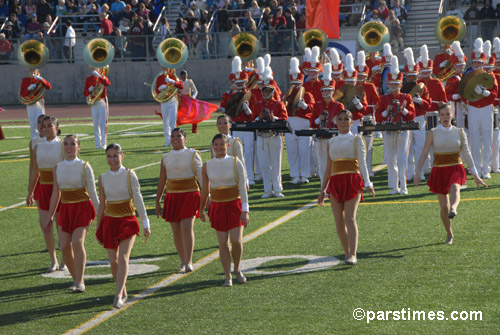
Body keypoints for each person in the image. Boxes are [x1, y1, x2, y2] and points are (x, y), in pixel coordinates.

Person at [414, 104, 487, 244]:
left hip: (455, 167)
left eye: (448, 114)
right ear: (439, 117)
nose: (445, 117)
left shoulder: (459, 132)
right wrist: (418, 172)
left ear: (452, 115)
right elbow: (424, 153)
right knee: (443, 207)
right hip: (439, 169)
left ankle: (454, 208)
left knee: (455, 188)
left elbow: (467, 153)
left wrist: (476, 175)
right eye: (442, 115)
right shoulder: (433, 133)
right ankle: (449, 233)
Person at [96, 143, 151, 308]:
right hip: (110, 221)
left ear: (122, 156)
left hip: (127, 220)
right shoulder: (103, 178)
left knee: (123, 257)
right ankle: (123, 289)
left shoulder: (129, 175)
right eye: (109, 156)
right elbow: (102, 204)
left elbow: (139, 199)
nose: (112, 159)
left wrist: (145, 223)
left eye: (115, 155)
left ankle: (118, 295)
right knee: (112, 260)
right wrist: (99, 227)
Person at [317, 109, 375, 265]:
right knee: (339, 221)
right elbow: (328, 167)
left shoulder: (357, 139)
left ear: (351, 122)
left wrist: (368, 183)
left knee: (350, 218)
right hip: (335, 183)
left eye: (346, 119)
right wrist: (322, 190)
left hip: (352, 180)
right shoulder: (331, 142)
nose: (342, 122)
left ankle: (353, 253)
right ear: (336, 122)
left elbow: (362, 163)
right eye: (340, 119)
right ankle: (346, 252)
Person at [45, 135, 99, 292]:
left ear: (79, 147)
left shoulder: (84, 166)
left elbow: (93, 193)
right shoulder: (58, 167)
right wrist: (50, 215)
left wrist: (102, 214)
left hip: (83, 208)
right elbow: (56, 193)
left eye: (73, 144)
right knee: (64, 246)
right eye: (66, 144)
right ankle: (76, 279)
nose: (69, 147)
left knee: (77, 242)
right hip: (65, 209)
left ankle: (80, 281)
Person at [199, 134, 249, 287]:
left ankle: (237, 268)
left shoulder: (235, 162)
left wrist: (245, 210)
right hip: (217, 206)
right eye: (216, 144)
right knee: (222, 243)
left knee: (236, 240)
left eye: (222, 144)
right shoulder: (207, 165)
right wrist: (201, 209)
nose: (219, 147)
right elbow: (205, 189)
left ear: (228, 146)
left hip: (235, 204)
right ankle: (228, 276)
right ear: (212, 146)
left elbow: (242, 187)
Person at [155, 128, 202, 272]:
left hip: (190, 195)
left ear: (185, 139)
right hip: (172, 196)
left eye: (179, 136)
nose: (175, 139)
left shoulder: (193, 154)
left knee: (187, 227)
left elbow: (201, 177)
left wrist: (208, 197)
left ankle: (189, 261)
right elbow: (162, 180)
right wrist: (158, 200)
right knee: (176, 231)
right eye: (173, 136)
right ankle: (182, 261)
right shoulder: (166, 157)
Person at [26, 115, 65, 273]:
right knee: (46, 226)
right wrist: (30, 192)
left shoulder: (63, 145)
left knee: (62, 226)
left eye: (50, 125)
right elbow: (35, 171)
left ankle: (65, 260)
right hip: (44, 189)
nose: (47, 129)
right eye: (44, 126)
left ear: (56, 127)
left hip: (61, 189)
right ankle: (53, 260)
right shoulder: (37, 147)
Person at [375, 56, 415, 195]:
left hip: (402, 130)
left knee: (402, 158)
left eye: (396, 84)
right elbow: (378, 118)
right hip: (388, 130)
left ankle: (404, 186)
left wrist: (403, 109)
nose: (394, 87)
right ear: (388, 85)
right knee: (391, 158)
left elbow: (411, 115)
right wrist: (387, 110)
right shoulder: (383, 99)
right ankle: (394, 186)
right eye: (391, 84)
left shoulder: (407, 97)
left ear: (400, 85)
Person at [251, 67, 288, 198]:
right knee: (264, 165)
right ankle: (267, 189)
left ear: (273, 91)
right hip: (261, 137)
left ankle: (277, 189)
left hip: (275, 136)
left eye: (269, 90)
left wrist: (274, 119)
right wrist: (259, 118)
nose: (266, 92)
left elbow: (285, 119)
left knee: (276, 164)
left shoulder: (279, 104)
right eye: (264, 90)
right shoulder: (257, 105)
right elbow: (252, 120)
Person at [467, 38, 498, 179]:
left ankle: (486, 168)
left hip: (486, 108)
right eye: (474, 62)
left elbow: (494, 95)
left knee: (487, 138)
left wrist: (484, 92)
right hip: (473, 108)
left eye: (479, 62)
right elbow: (464, 92)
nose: (476, 64)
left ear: (483, 63)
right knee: (474, 139)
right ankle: (476, 169)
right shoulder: (469, 76)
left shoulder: (490, 76)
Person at [311, 63, 345, 186]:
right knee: (321, 163)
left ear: (333, 91)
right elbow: (312, 122)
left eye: (328, 91)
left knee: (335, 163)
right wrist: (318, 120)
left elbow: (343, 123)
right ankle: (323, 187)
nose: (326, 93)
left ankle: (335, 186)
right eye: (324, 90)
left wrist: (336, 121)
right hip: (320, 138)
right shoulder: (317, 105)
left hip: (334, 138)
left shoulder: (338, 105)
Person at [284, 57, 315, 184]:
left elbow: (313, 109)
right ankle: (295, 174)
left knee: (304, 150)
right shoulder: (287, 94)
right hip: (290, 122)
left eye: (298, 83)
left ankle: (305, 174)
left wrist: (306, 106)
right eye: (293, 83)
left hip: (303, 123)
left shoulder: (307, 95)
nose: (295, 85)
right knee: (292, 150)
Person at [403, 47, 431, 182]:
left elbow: (428, 104)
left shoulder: (423, 87)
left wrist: (420, 101)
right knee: (408, 147)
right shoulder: (402, 89)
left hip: (419, 118)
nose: (412, 78)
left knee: (420, 146)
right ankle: (409, 173)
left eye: (414, 76)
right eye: (409, 76)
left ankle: (420, 171)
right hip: (408, 118)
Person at [154, 68, 184, 146]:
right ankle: (167, 141)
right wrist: (160, 89)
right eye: (163, 67)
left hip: (173, 100)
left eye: (167, 67)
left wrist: (172, 81)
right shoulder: (159, 77)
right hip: (164, 101)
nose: (165, 69)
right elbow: (156, 91)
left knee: (172, 122)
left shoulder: (173, 76)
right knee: (165, 123)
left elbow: (181, 86)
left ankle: (175, 141)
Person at [20, 69, 52, 139]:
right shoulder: (25, 80)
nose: (33, 73)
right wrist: (28, 89)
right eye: (31, 71)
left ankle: (43, 138)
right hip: (30, 102)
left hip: (39, 102)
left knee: (41, 122)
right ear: (29, 71)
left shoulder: (39, 80)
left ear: (37, 71)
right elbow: (22, 94)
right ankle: (34, 139)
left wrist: (41, 79)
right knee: (32, 123)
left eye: (35, 71)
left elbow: (49, 86)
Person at [84, 67, 111, 149]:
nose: (95, 69)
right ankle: (97, 144)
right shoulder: (88, 79)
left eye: (97, 68)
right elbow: (85, 93)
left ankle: (103, 144)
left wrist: (99, 76)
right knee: (95, 124)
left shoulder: (103, 77)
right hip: (94, 102)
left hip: (102, 101)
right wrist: (89, 90)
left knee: (103, 123)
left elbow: (107, 83)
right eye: (93, 67)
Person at [445, 41, 467, 129]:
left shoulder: (465, 76)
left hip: (464, 104)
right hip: (456, 105)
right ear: (454, 66)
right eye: (459, 66)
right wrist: (455, 96)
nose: (461, 68)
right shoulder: (452, 79)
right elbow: (446, 95)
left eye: (462, 66)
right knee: (458, 126)